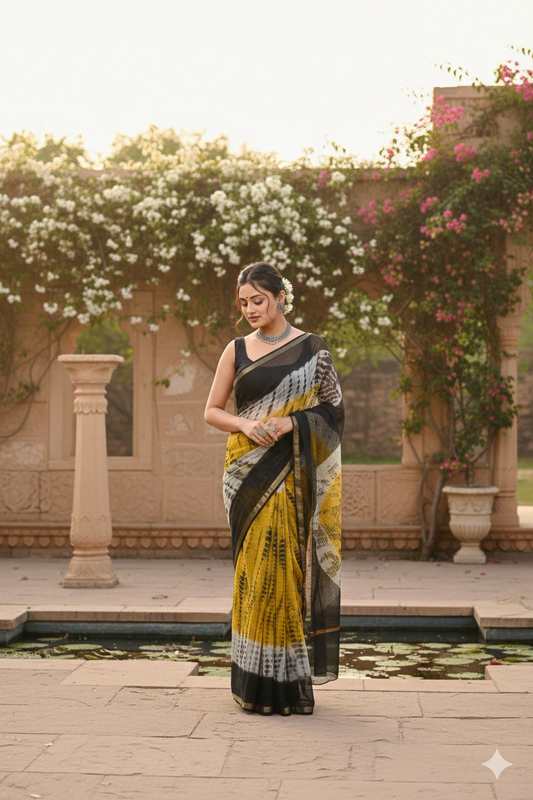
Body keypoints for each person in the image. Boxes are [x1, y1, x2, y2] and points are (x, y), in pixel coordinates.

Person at [204, 262, 344, 716]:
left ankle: (283, 682)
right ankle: (254, 681)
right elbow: (212, 411)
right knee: (256, 572)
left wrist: (291, 422)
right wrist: (247, 423)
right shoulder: (236, 350)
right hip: (245, 472)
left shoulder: (313, 348)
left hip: (291, 468)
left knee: (285, 571)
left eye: (257, 300)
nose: (249, 309)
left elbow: (334, 411)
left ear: (280, 296)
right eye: (243, 302)